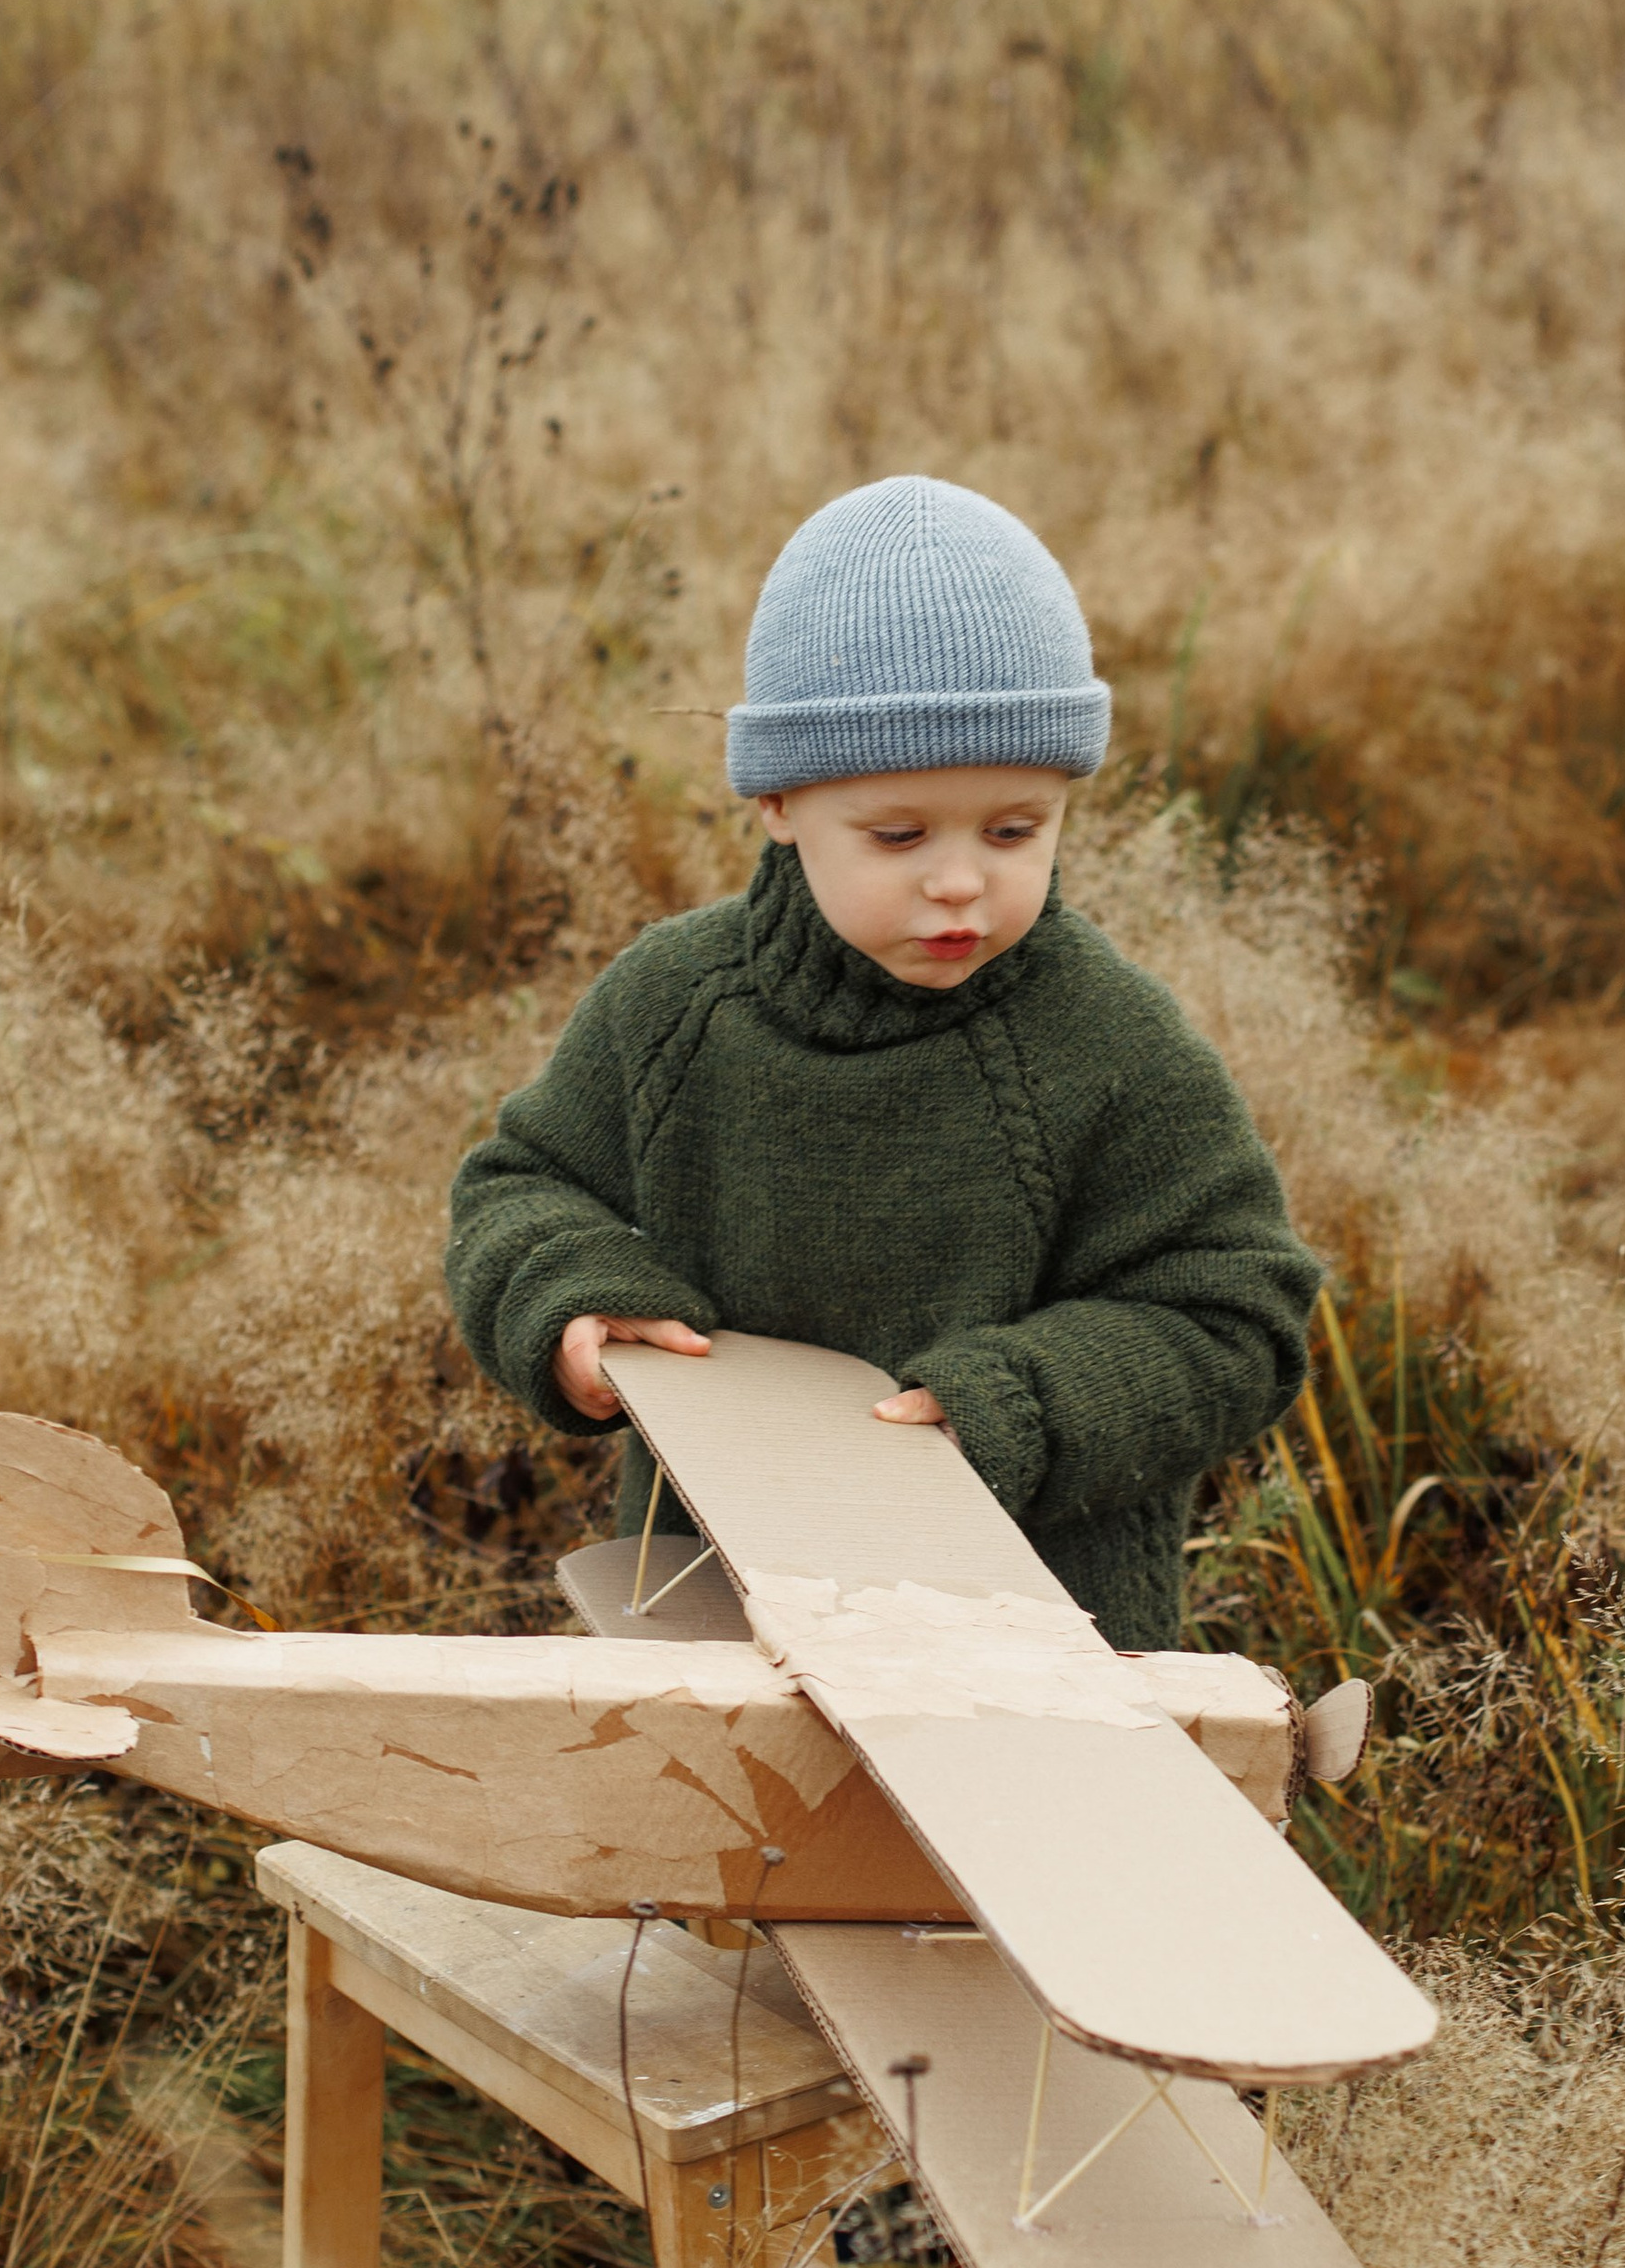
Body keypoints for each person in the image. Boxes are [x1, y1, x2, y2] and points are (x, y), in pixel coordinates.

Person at [442, 474, 1318, 1651]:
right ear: (778, 801)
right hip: (714, 1598)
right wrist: (572, 1300)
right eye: (898, 834)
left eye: (1015, 829)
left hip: (1038, 1630)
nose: (959, 880)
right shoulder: (673, 1006)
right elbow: (518, 1185)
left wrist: (1023, 1404)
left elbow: (1236, 1315)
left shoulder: (1106, 1044)